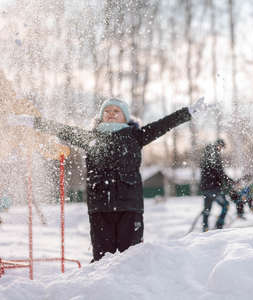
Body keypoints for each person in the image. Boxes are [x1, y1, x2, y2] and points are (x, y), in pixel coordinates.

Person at [8, 97, 207, 261]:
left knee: (131, 257)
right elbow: (61, 129)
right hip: (99, 207)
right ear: (101, 116)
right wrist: (32, 121)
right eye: (107, 111)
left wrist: (187, 112)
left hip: (129, 207)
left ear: (125, 117)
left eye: (116, 111)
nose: (110, 113)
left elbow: (164, 124)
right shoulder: (89, 138)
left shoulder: (136, 136)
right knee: (102, 258)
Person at [199, 138, 233, 232]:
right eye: (221, 147)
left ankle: (205, 228)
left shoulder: (206, 156)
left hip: (205, 188)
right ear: (219, 146)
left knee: (207, 209)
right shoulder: (215, 156)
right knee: (226, 205)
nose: (221, 150)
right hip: (214, 188)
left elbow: (211, 172)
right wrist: (230, 181)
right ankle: (219, 225)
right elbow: (220, 173)